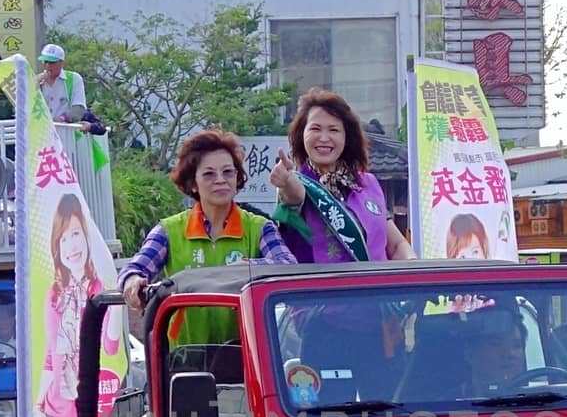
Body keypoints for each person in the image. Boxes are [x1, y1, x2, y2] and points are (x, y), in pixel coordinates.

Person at [119, 128, 296, 344]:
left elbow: (287, 266)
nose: (220, 180)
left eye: (228, 172)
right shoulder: (169, 230)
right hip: (183, 358)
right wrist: (132, 281)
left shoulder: (259, 227)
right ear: (193, 183)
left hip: (249, 355)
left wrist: (250, 267)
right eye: (209, 174)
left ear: (238, 178)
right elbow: (133, 269)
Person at [267, 87, 414, 264]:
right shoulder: (300, 184)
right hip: (321, 290)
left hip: (375, 289)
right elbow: (294, 196)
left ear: (347, 137)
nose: (324, 138)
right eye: (315, 128)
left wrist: (415, 266)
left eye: (334, 130)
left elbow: (396, 245)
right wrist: (287, 181)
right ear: (301, 135)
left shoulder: (368, 183)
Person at [40, 193, 106, 417]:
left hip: (95, 410)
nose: (71, 246)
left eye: (76, 233)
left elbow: (110, 348)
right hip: (56, 415)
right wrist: (37, 406)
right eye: (63, 238)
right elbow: (51, 356)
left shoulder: (101, 290)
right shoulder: (55, 294)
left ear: (87, 236)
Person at [39, 43, 88, 122]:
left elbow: (79, 108)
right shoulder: (37, 81)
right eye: (45, 62)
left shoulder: (74, 78)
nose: (48, 65)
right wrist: (33, 87)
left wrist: (61, 119)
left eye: (52, 62)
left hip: (66, 130)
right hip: (41, 131)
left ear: (62, 63)